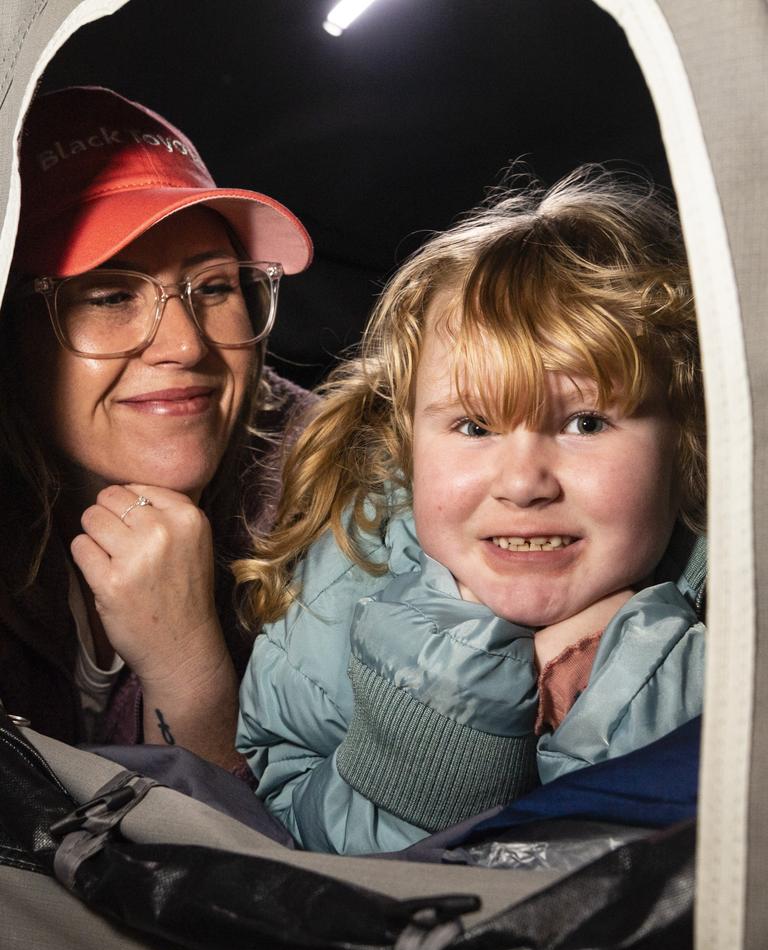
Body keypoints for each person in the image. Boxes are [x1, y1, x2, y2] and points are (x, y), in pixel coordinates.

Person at [234, 169, 707, 854]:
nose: (522, 484)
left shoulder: (731, 596)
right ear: (409, 445)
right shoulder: (345, 578)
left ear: (684, 445)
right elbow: (290, 819)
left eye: (584, 423)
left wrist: (630, 678)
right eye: (475, 427)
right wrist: (452, 693)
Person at [0, 85, 312, 770]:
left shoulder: (341, 501)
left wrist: (187, 669)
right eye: (112, 294)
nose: (185, 344)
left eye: (215, 287)